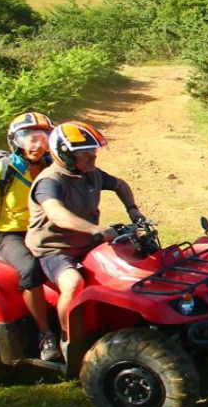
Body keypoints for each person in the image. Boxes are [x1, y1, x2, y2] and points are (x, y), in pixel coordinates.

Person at [25, 121, 146, 350]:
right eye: (85, 153)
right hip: (55, 248)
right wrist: (96, 230)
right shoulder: (49, 182)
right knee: (73, 284)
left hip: (86, 243)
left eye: (93, 151)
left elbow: (120, 185)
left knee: (134, 262)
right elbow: (57, 215)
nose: (93, 157)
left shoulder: (91, 173)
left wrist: (133, 210)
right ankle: (68, 340)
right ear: (65, 155)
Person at [0, 111, 58, 359]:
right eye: (30, 139)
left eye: (43, 139)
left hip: (43, 228)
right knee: (30, 268)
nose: (37, 145)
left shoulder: (52, 167)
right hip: (9, 233)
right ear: (17, 141)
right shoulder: (4, 170)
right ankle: (45, 334)